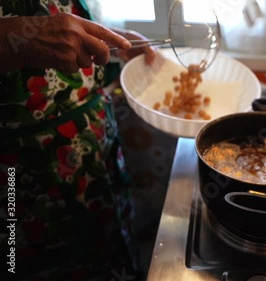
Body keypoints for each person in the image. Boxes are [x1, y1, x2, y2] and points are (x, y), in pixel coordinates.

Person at [0, 1, 156, 280]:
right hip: (21, 176)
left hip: (95, 154)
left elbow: (54, 13)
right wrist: (19, 38)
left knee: (111, 258)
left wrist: (106, 36)